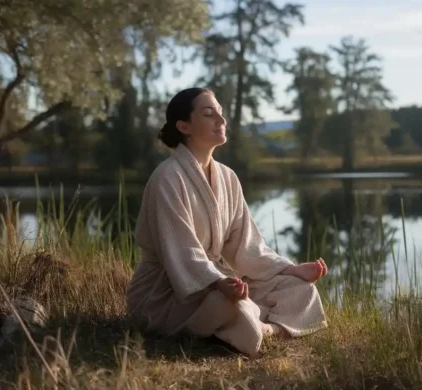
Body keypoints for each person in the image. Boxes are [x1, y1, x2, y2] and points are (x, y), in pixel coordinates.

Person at [126, 87, 329, 357]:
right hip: (167, 292)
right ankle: (261, 325)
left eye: (221, 114)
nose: (221, 121)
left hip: (215, 281)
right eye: (209, 114)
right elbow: (182, 252)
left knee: (301, 289)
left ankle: (263, 329)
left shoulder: (228, 177)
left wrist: (289, 270)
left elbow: (246, 246)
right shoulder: (167, 178)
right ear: (184, 125)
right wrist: (217, 282)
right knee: (234, 305)